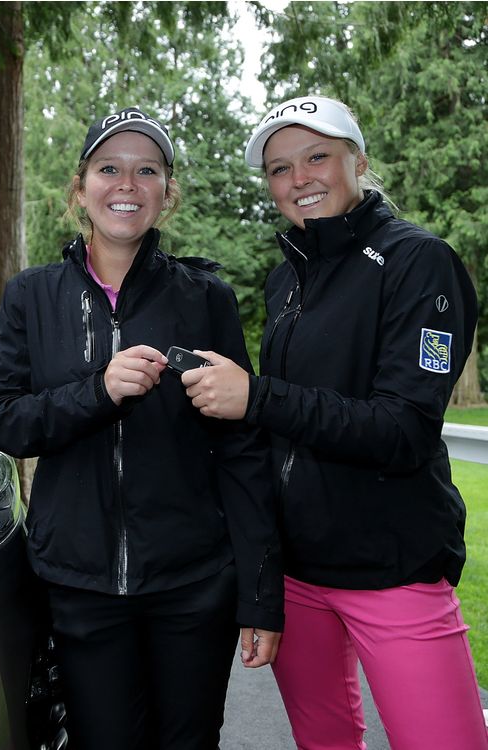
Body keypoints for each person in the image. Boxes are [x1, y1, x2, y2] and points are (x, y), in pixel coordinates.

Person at [182, 95, 488, 749]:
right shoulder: (284, 280)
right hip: (300, 576)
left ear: (359, 160)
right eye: (280, 169)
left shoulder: (418, 261)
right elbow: (274, 443)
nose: (299, 180)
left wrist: (256, 397)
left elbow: (403, 430)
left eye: (317, 156)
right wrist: (263, 584)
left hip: (395, 568)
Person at [0, 106, 284, 750]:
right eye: (109, 168)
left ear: (166, 193)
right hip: (81, 585)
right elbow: (2, 420)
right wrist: (98, 391)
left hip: (194, 583)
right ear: (80, 186)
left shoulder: (206, 300)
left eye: (147, 171)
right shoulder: (30, 296)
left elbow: (242, 450)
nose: (127, 184)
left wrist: (259, 595)